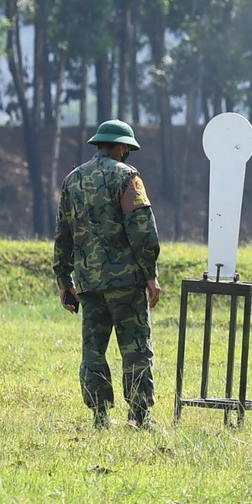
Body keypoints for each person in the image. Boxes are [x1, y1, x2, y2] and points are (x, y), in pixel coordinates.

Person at [53, 119, 162, 430]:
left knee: (93, 349)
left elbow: (62, 235)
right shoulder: (128, 177)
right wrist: (150, 273)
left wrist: (65, 281)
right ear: (123, 147)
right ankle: (139, 418)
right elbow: (143, 231)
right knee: (135, 349)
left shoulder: (72, 180)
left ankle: (100, 415)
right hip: (126, 283)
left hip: (88, 284)